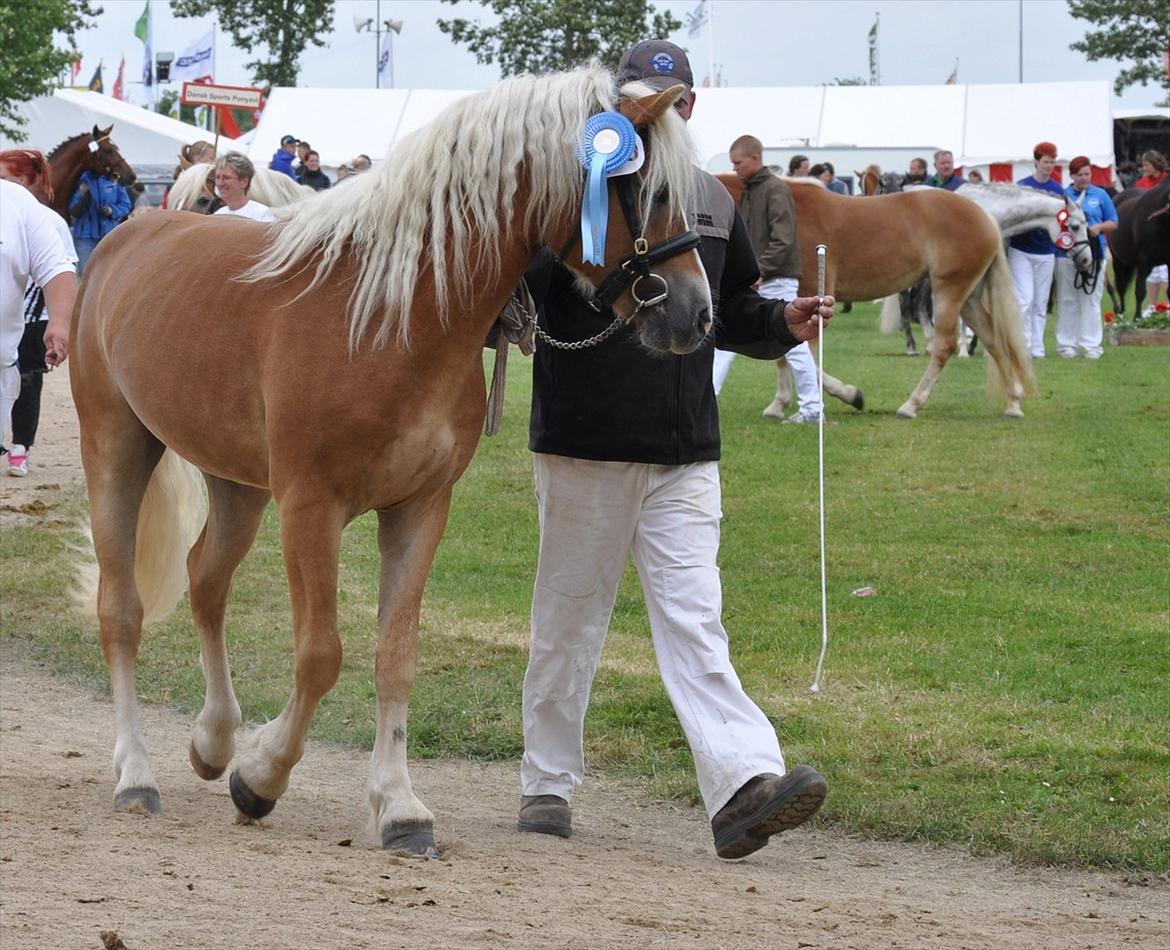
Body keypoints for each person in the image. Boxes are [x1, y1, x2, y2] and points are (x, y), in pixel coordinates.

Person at [518, 39, 830, 862]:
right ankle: (546, 783)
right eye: (645, 94)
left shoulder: (713, 201)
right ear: (621, 105)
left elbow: (731, 308)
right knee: (568, 620)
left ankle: (743, 786)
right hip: (585, 442)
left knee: (697, 620)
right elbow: (519, 301)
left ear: (691, 104)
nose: (664, 107)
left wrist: (780, 324)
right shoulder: (573, 190)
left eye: (675, 94)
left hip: (688, 449)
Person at [714, 134, 822, 425]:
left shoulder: (774, 189)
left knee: (796, 347)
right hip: (762, 277)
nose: (734, 168)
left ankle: (813, 408)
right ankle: (706, 400)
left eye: (738, 162)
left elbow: (783, 239)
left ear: (755, 159)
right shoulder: (752, 189)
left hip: (777, 276)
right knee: (725, 342)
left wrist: (759, 270)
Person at [0, 150, 79, 477]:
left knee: (30, 383)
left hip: (3, 355)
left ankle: (21, 446)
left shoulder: (16, 203)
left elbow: (56, 267)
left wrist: (60, 322)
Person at [1054, 156, 1117, 359]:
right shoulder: (1063, 196)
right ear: (1072, 176)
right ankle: (1067, 345)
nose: (1083, 178)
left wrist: (1098, 227)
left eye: (1087, 174)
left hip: (1095, 252)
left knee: (1091, 299)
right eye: (1079, 175)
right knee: (1067, 299)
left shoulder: (1100, 195)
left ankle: (1091, 345)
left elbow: (1114, 221)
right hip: (1067, 254)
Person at [1008, 142, 1064, 358]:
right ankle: (1022, 344)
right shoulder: (1022, 187)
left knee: (1040, 303)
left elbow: (1062, 219)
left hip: (1046, 252)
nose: (1049, 166)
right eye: (1046, 162)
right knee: (1024, 299)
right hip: (1021, 250)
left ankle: (1037, 347)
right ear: (1036, 162)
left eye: (1052, 162)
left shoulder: (1057, 190)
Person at [67, 161, 130, 275]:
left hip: (109, 234)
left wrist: (112, 210)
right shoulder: (83, 179)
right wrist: (81, 193)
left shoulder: (117, 182)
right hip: (85, 236)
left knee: (109, 273)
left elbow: (126, 205)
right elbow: (73, 208)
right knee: (86, 274)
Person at [1135, 150, 1168, 315]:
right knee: (1151, 271)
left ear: (1155, 164)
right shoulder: (1141, 184)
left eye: (1146, 164)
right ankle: (1152, 306)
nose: (1143, 168)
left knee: (1166, 272)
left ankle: (1168, 306)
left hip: (1165, 232)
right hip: (1149, 233)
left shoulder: (1167, 181)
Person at [212, 153, 276, 222]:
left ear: (244, 182)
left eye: (226, 178)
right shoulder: (218, 215)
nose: (220, 183)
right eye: (218, 177)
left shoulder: (263, 215)